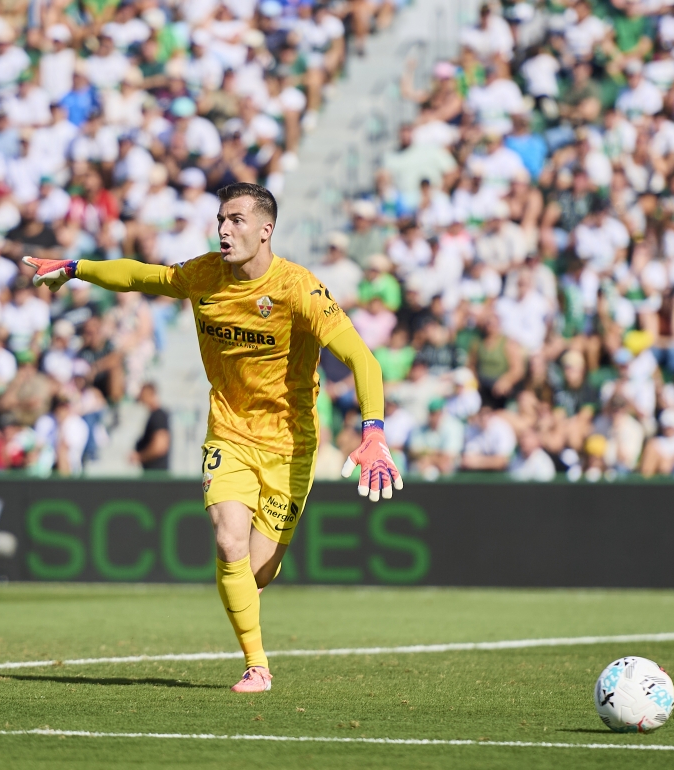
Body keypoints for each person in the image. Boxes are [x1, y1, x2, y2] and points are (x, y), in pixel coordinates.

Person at [25, 183, 402, 693]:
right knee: (229, 544)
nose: (224, 230)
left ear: (266, 230)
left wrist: (373, 429)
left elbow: (362, 358)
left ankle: (255, 600)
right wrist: (74, 268)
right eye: (221, 219)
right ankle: (256, 664)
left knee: (259, 571)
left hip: (291, 442)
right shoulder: (204, 273)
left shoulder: (299, 289)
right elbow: (140, 275)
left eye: (237, 220)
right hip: (228, 431)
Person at [132, 382, 170, 471]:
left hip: (157, 475)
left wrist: (140, 456)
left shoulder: (158, 416)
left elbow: (160, 446)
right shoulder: (155, 415)